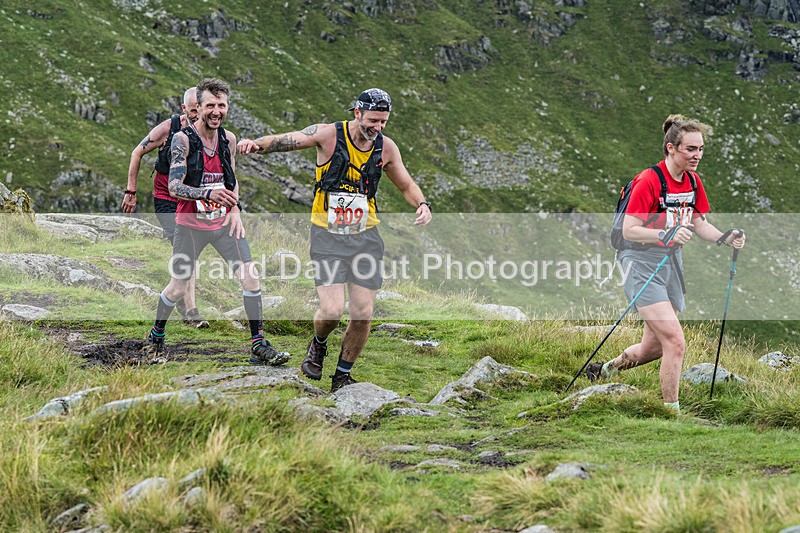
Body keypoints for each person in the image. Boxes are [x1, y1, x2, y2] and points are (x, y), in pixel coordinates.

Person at [238, 88, 432, 391]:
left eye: (383, 122)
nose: (377, 128)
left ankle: (342, 374)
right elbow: (290, 139)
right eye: (372, 121)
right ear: (357, 113)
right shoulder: (330, 135)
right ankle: (318, 343)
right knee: (331, 310)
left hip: (365, 237)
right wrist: (256, 145)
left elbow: (406, 183)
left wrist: (422, 204)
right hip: (327, 236)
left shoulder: (386, 148)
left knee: (363, 313)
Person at [586, 114, 745, 412]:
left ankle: (605, 370)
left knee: (653, 347)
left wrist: (725, 237)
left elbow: (700, 224)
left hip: (671, 264)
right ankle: (672, 413)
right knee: (675, 341)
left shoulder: (693, 182)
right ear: (671, 148)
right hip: (639, 262)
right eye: (690, 149)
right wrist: (665, 232)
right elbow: (628, 230)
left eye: (700, 149)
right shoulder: (649, 180)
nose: (697, 155)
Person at [141, 78, 289, 367]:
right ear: (198, 108)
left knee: (251, 277)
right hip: (189, 226)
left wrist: (234, 208)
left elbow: (231, 180)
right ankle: (155, 336)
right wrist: (207, 192)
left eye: (222, 105)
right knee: (178, 287)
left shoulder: (228, 139)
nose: (216, 111)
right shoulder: (183, 139)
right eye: (210, 105)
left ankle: (258, 345)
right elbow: (173, 187)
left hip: (223, 224)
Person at [122, 87, 208, 328]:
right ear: (184, 109)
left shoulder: (206, 131)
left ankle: (182, 301)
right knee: (186, 248)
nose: (197, 115)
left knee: (187, 250)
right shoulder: (168, 129)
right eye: (193, 111)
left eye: (200, 110)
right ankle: (190, 311)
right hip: (166, 198)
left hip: (189, 199)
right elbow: (137, 152)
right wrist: (131, 190)